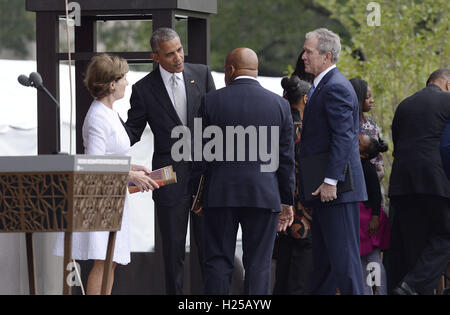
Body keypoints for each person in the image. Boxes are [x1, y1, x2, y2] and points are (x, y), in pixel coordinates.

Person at [190, 47, 295, 295]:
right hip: (264, 196)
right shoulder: (280, 105)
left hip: (220, 196)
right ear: (255, 70)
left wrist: (196, 195)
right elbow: (286, 159)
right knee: (259, 265)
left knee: (217, 262)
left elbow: (198, 153)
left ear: (230, 69)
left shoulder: (210, 101)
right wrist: (286, 200)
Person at [53, 54, 159, 295]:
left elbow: (110, 158)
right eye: (124, 78)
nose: (127, 83)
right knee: (103, 260)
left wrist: (133, 169)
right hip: (100, 199)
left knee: (111, 260)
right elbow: (94, 166)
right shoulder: (98, 118)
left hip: (113, 196)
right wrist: (129, 175)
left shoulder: (109, 112)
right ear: (112, 84)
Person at [124, 27, 216, 295]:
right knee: (173, 251)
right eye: (169, 54)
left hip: (203, 178)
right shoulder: (143, 89)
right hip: (169, 179)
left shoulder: (201, 74)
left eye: (180, 49)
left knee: (209, 249)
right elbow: (132, 132)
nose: (178, 57)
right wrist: (106, 124)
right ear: (156, 56)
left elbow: (217, 123)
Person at [299, 28, 367, 295]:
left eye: (308, 51)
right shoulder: (324, 85)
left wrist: (330, 181)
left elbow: (344, 137)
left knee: (344, 262)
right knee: (324, 264)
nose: (303, 56)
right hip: (327, 190)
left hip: (336, 190)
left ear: (327, 56)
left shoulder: (336, 86)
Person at [388, 68, 450, 295]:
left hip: (401, 185)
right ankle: (411, 285)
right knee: (446, 234)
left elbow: (397, 146)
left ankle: (409, 288)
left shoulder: (404, 105)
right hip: (434, 181)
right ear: (448, 84)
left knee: (416, 249)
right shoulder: (447, 101)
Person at [272, 74, 313, 295]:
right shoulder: (308, 131)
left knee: (282, 275)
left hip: (280, 210)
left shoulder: (278, 128)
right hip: (304, 213)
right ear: (306, 99)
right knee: (301, 279)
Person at [358, 134, 390, 295]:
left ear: (363, 154)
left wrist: (375, 217)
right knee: (362, 264)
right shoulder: (356, 165)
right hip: (360, 219)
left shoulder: (368, 169)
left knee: (373, 261)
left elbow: (376, 194)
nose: (355, 139)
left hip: (369, 219)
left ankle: (380, 291)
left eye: (359, 142)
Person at [350, 78, 385, 180]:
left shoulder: (371, 124)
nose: (372, 100)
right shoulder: (345, 124)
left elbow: (379, 163)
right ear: (358, 99)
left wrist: (375, 176)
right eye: (367, 97)